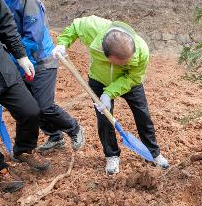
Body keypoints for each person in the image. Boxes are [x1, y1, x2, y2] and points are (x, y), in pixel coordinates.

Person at [51, 15, 169, 175]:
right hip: (99, 80)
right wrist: (63, 44)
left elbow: (133, 77)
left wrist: (109, 93)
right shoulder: (93, 28)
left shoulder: (142, 51)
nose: (124, 64)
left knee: (143, 115)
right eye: (120, 63)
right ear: (106, 54)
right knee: (104, 120)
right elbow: (75, 26)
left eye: (127, 61)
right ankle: (111, 155)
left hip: (129, 82)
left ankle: (154, 153)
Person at [0, 0, 85, 152]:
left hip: (42, 60)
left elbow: (33, 38)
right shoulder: (3, 2)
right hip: (19, 63)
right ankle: (55, 136)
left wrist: (14, 57)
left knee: (44, 106)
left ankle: (74, 127)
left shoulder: (26, 0)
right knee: (31, 106)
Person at [0, 0, 50, 192]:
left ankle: (24, 149)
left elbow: (5, 23)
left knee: (30, 111)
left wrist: (20, 55)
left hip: (1, 69)